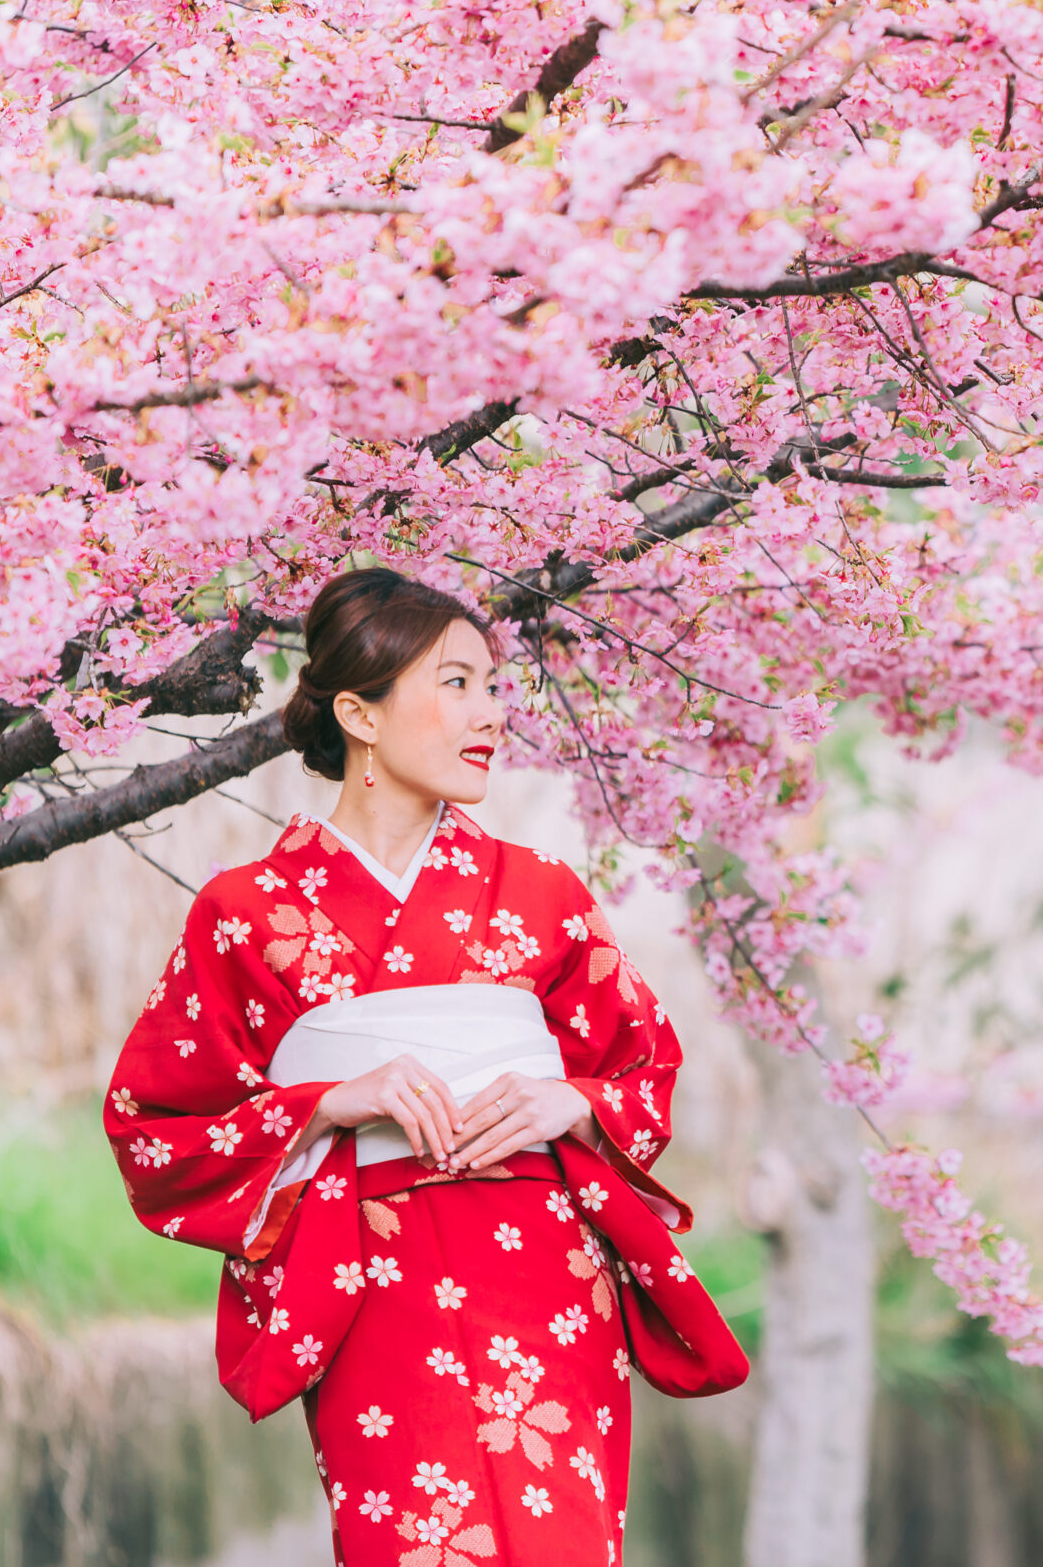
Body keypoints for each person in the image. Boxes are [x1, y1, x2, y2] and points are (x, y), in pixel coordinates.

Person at [106, 567, 744, 1567]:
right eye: (456, 682)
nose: (489, 711)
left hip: (545, 1272)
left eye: (493, 684)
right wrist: (326, 1103)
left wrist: (564, 1101)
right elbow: (157, 1122)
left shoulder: (541, 893)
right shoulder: (245, 908)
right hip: (374, 1277)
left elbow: (642, 1065)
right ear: (357, 712)